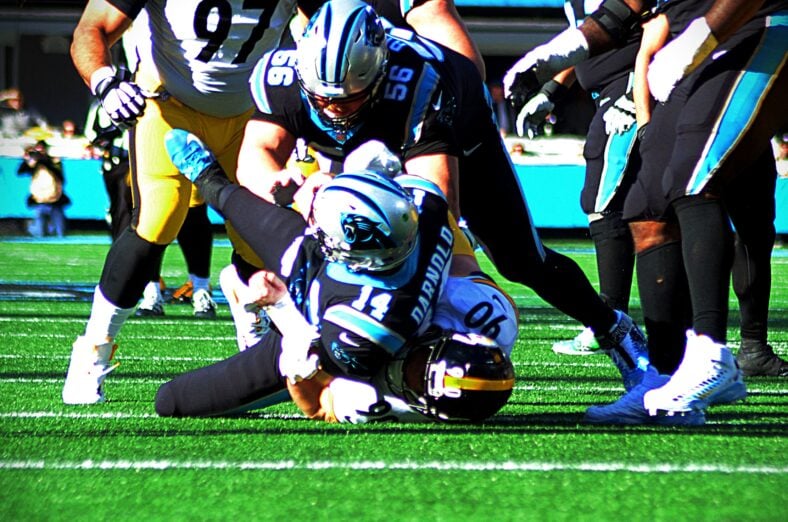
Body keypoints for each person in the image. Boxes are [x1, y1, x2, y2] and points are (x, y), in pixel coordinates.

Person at [237, 0, 653, 399]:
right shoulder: (284, 75)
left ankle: (615, 330)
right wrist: (287, 183)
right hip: (367, 150)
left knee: (520, 261)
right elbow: (254, 159)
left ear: (380, 73)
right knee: (328, 242)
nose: (334, 111)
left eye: (348, 100)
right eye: (322, 99)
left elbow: (436, 205)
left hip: (459, 140)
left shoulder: (421, 80)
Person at [504, 0, 786, 423]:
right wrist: (548, 60)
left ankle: (712, 356)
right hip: (692, 42)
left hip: (756, 24)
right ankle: (664, 375)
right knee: (645, 207)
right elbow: (623, 12)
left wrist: (695, 39)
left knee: (694, 178)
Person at [61, 0, 332, 405]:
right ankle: (92, 351)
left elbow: (325, 30)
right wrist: (106, 81)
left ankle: (255, 323)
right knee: (159, 217)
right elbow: (92, 29)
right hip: (170, 105)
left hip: (252, 115)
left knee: (259, 231)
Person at [155, 130, 515, 422]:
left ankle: (255, 320)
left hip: (319, 334)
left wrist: (281, 306)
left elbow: (315, 401)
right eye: (426, 361)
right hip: (367, 281)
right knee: (246, 202)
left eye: (416, 381)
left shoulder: (374, 387)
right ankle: (208, 178)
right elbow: (464, 264)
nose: (410, 367)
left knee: (171, 401)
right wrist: (356, 175)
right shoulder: (486, 317)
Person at [515, 1, 658, 361]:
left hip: (629, 86)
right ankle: (617, 320)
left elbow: (658, 23)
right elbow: (587, 38)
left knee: (604, 198)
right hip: (609, 89)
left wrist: (641, 85)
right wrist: (551, 92)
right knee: (626, 203)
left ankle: (610, 321)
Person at [17, 140, 71, 238]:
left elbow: (60, 176)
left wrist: (43, 160)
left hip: (54, 198)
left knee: (60, 230)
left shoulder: (53, 161)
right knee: (40, 231)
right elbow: (21, 171)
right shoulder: (34, 163)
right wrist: (28, 159)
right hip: (39, 198)